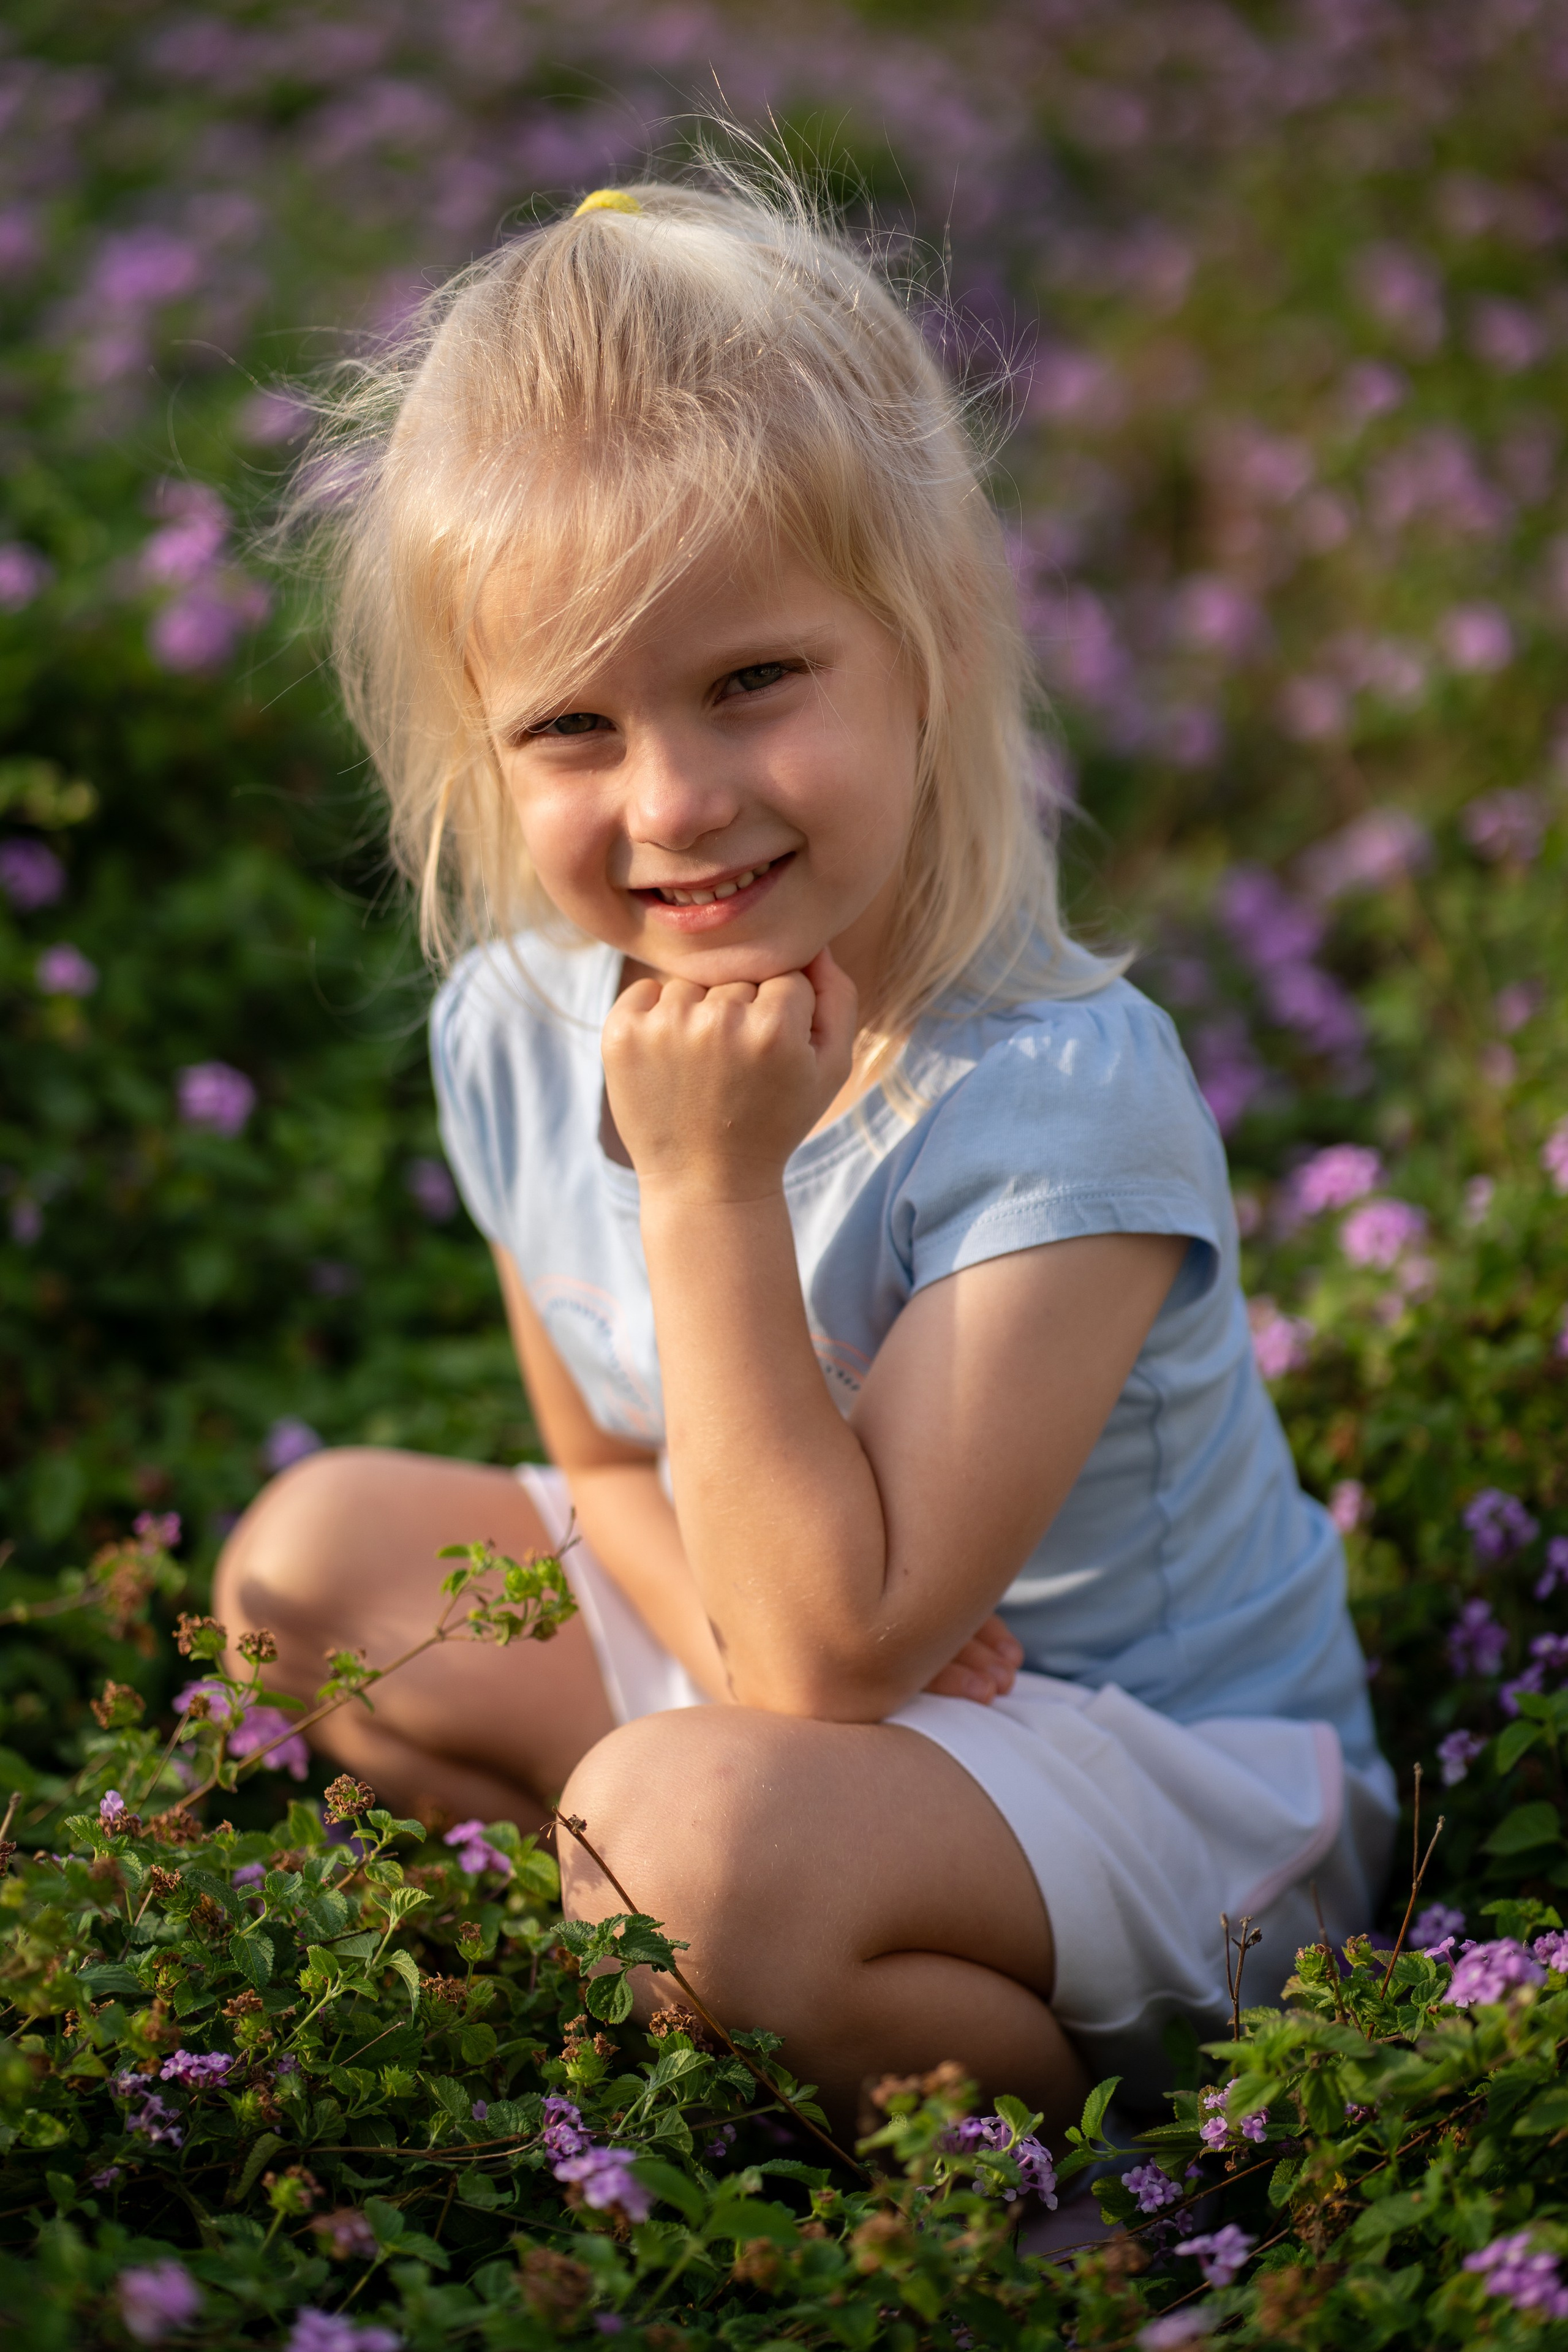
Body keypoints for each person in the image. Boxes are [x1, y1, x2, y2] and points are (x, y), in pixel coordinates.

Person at [217, 173, 1395, 2137]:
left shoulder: (1054, 1094)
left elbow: (829, 1651)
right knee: (307, 1565)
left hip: (1174, 1797)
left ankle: (1075, 2173)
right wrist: (790, 1659)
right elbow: (604, 1462)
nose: (674, 801)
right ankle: (725, 1961)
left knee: (680, 1843)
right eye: (573, 725)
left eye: (753, 681)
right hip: (819, 1692)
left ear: (921, 647)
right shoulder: (513, 1022)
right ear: (476, 753)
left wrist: (703, 1184)